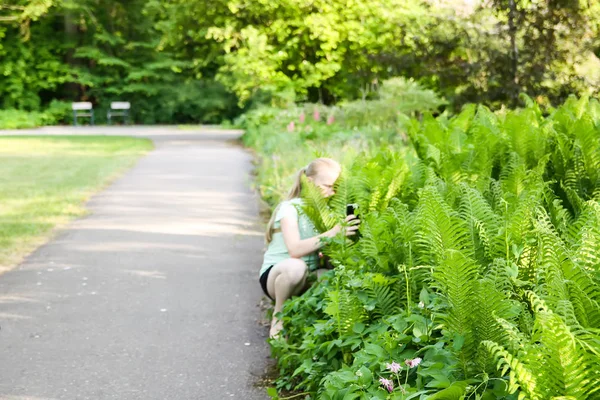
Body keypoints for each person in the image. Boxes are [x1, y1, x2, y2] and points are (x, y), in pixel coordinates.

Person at [259, 158, 360, 338]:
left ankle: (319, 328)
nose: (332, 192)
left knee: (337, 278)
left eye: (335, 187)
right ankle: (278, 317)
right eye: (327, 186)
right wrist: (334, 232)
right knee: (296, 266)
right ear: (309, 182)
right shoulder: (289, 208)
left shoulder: (326, 211)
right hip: (279, 276)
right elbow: (294, 250)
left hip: (307, 275)